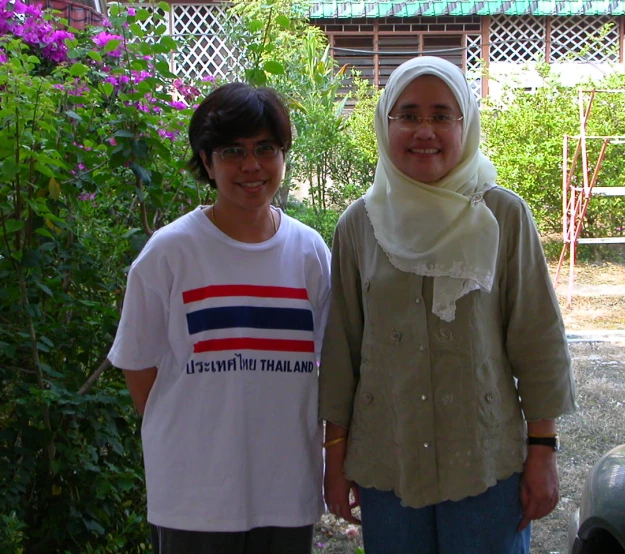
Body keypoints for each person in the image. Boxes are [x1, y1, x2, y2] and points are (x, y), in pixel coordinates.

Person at [319, 56, 577, 554]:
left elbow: (537, 338)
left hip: (484, 462)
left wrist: (543, 450)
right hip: (387, 462)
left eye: (442, 115)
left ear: (467, 123)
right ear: (385, 123)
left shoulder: (502, 214)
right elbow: (341, 350)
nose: (425, 130)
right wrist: (335, 456)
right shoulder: (360, 224)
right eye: (408, 114)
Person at [108, 83, 331, 554]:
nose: (251, 165)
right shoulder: (170, 252)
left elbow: (332, 366)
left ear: (283, 156)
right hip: (195, 495)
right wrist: (194, 430)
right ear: (207, 162)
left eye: (266, 149)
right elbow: (138, 364)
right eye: (233, 151)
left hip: (286, 487)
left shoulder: (310, 252)